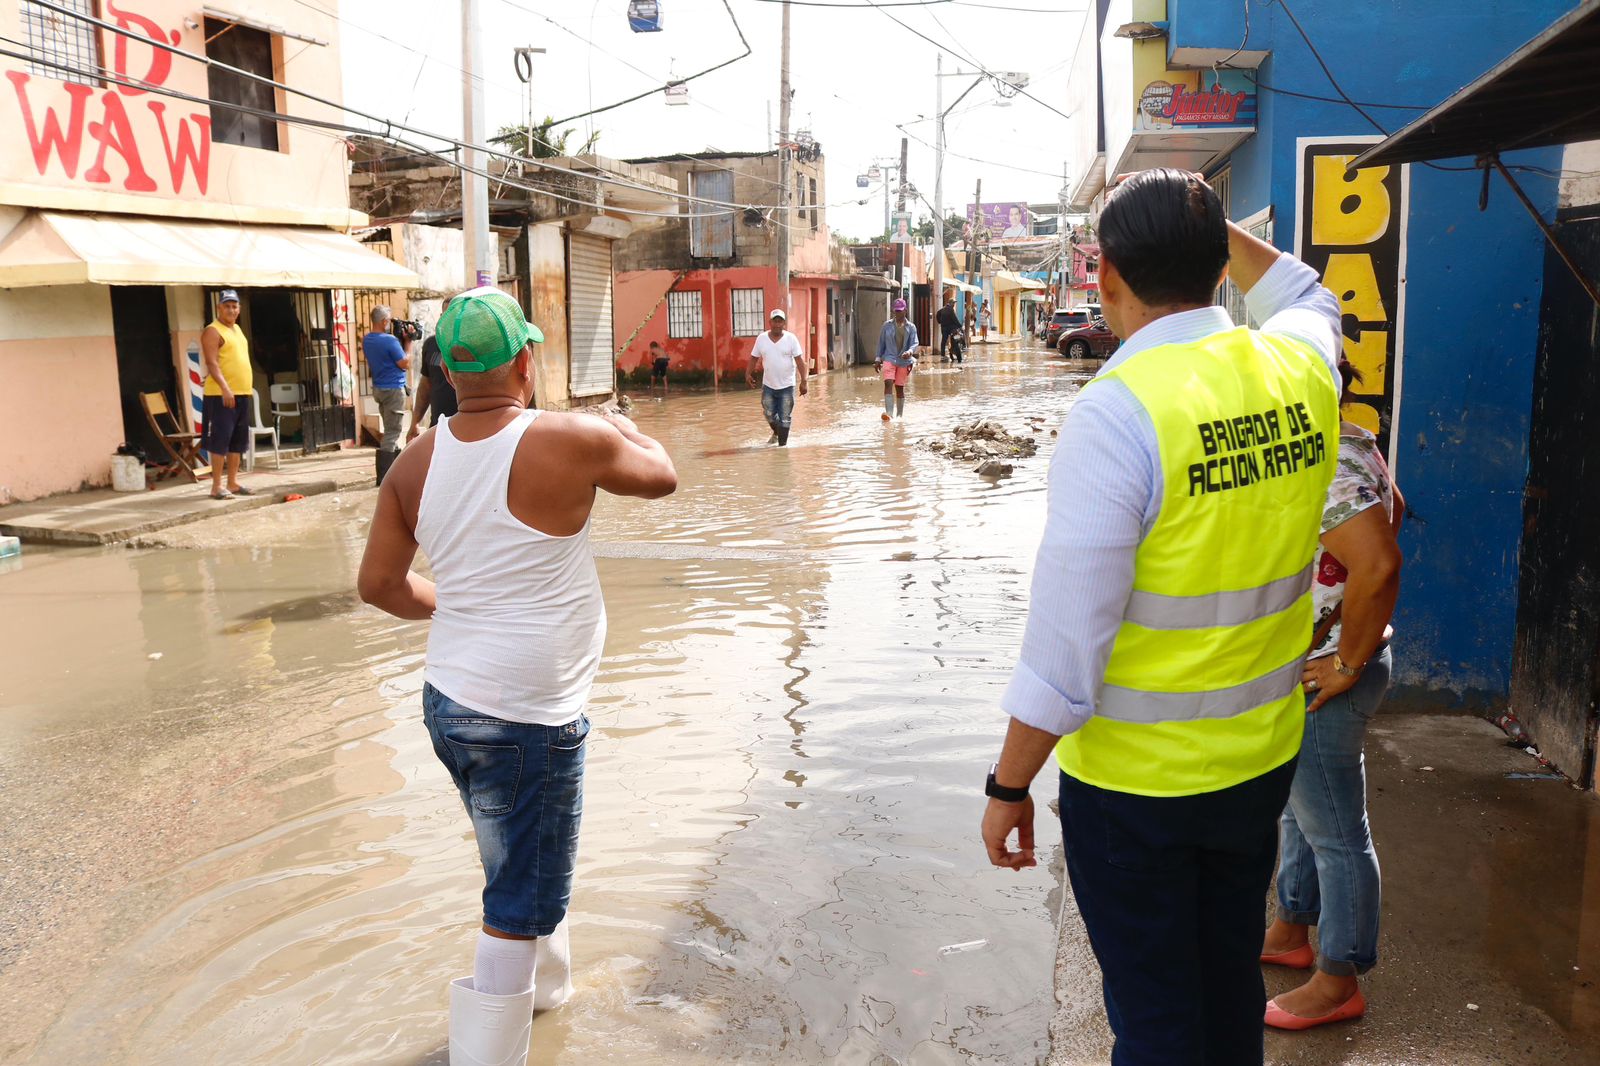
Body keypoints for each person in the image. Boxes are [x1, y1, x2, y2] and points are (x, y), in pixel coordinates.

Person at [980, 168, 1342, 1066]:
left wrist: (1008, 785)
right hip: (1258, 763)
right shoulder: (1299, 366)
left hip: (1139, 794)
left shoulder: (1117, 413)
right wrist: (1217, 235)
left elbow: (1066, 653)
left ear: (1103, 273)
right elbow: (1303, 288)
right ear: (1221, 265)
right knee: (1226, 992)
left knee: (1155, 1024)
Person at [357, 287, 677, 1066]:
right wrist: (624, 424)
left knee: (523, 861)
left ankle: (547, 1000)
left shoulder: (413, 465)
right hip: (527, 718)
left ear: (445, 369)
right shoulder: (572, 438)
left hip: (453, 703)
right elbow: (662, 476)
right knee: (516, 896)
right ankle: (487, 1057)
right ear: (526, 361)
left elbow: (379, 586)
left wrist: (462, 611)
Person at [1261, 361, 1404, 1031]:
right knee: (1301, 810)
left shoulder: (1320, 464)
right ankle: (1291, 930)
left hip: (1330, 673)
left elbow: (1379, 561)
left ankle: (1339, 977)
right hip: (1334, 659)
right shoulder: (1355, 441)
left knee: (1338, 836)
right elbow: (1394, 511)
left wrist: (1346, 656)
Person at [199, 289, 256, 501]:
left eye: (234, 306)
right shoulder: (213, 331)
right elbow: (212, 363)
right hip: (221, 395)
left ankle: (232, 483)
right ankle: (216, 486)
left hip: (242, 393)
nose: (231, 310)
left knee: (237, 441)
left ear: (239, 309)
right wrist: (225, 388)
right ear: (219, 308)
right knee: (220, 440)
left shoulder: (237, 330)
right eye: (227, 306)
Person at [746, 309, 808, 446]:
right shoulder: (761, 338)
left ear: (784, 323)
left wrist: (804, 382)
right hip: (768, 385)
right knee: (768, 413)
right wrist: (748, 374)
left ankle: (782, 450)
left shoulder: (791, 339)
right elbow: (753, 358)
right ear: (770, 322)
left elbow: (800, 361)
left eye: (780, 321)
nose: (777, 324)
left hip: (787, 386)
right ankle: (776, 433)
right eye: (775, 321)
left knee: (785, 418)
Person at [407, 299, 460, 445]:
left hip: (468, 428)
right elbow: (425, 386)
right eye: (445, 315)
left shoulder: (473, 346)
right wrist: (415, 422)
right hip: (439, 427)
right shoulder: (431, 344)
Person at [363, 305, 410, 464]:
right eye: (389, 321)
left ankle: (395, 468)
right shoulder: (390, 340)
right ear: (384, 322)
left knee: (390, 429)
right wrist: (408, 343)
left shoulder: (367, 339)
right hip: (393, 389)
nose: (390, 323)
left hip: (379, 389)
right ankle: (384, 475)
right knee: (393, 432)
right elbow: (404, 363)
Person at [874, 298, 919, 422]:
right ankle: (889, 413)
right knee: (888, 382)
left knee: (899, 387)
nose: (897, 313)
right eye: (896, 311)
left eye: (900, 311)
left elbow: (915, 343)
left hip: (904, 361)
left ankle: (899, 416)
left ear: (905, 310)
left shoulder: (911, 327)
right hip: (889, 358)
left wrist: (909, 352)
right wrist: (878, 359)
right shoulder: (886, 326)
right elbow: (881, 343)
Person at [937, 292, 962, 362]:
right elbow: (955, 319)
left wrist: (939, 321)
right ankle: (955, 352)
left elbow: (937, 314)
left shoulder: (943, 309)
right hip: (951, 329)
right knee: (955, 340)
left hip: (944, 328)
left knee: (943, 341)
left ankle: (942, 355)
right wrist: (960, 326)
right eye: (953, 303)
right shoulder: (951, 310)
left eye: (954, 303)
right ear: (951, 303)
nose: (954, 304)